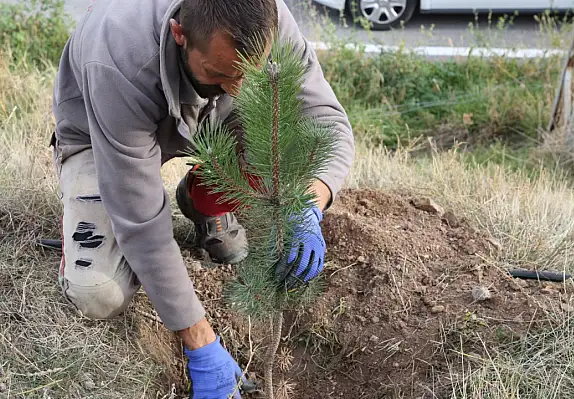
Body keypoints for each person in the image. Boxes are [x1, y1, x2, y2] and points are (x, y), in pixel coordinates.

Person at [50, 0, 354, 396]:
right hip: (101, 136)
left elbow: (327, 121)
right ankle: (84, 234)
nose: (240, 88)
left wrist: (309, 203)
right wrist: (201, 342)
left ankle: (203, 196)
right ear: (180, 35)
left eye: (250, 73)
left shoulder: (265, 18)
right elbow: (142, 219)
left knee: (272, 129)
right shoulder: (119, 57)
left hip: (207, 119)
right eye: (221, 72)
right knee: (99, 294)